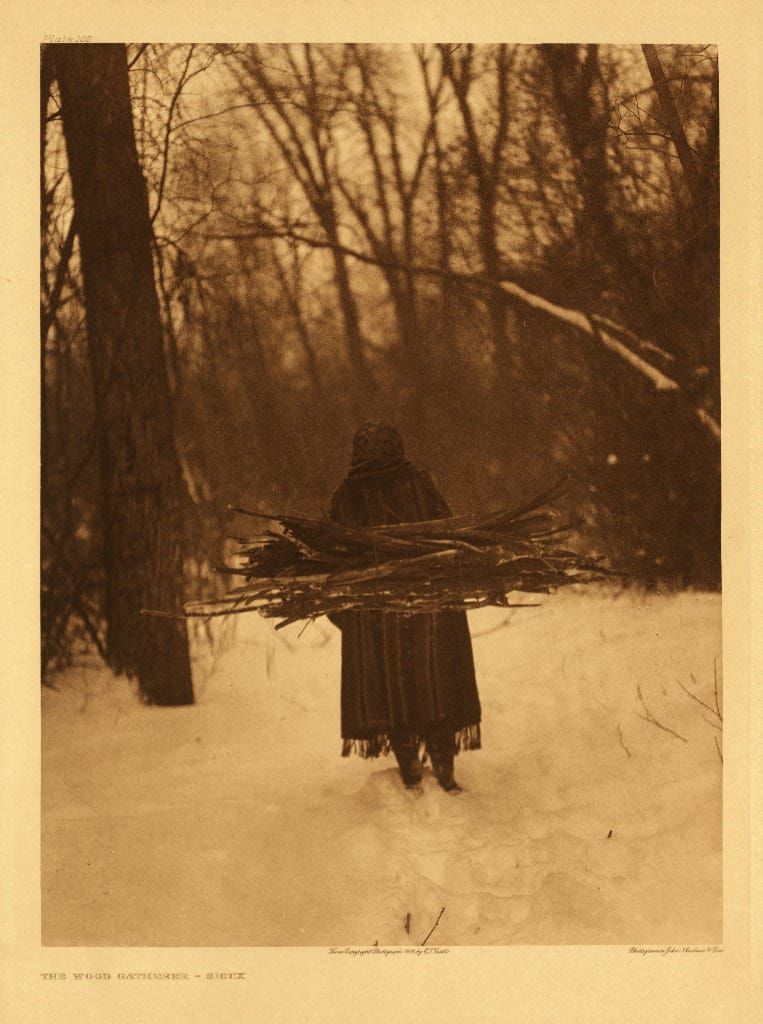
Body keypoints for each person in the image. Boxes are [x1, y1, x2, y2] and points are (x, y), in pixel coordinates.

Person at [327, 421, 481, 792]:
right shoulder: (418, 485)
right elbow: (449, 540)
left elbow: (333, 561)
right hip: (428, 607)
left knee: (390, 686)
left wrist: (348, 613)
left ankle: (409, 764)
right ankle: (443, 763)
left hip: (376, 616)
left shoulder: (348, 496)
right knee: (435, 682)